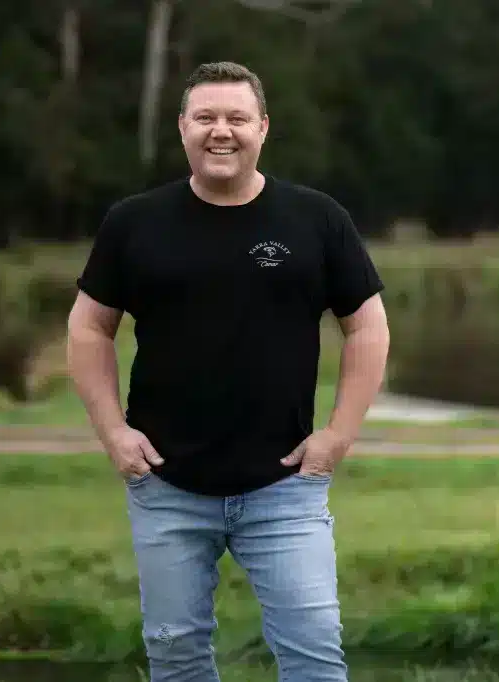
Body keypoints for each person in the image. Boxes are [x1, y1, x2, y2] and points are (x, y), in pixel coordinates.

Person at [67, 61, 390, 682]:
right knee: (177, 656)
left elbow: (367, 325)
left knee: (316, 656)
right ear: (183, 128)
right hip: (166, 484)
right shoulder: (134, 222)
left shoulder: (316, 219)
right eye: (207, 117)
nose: (222, 131)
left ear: (263, 128)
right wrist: (112, 432)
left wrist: (339, 435)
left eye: (237, 118)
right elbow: (88, 327)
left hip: (286, 486)